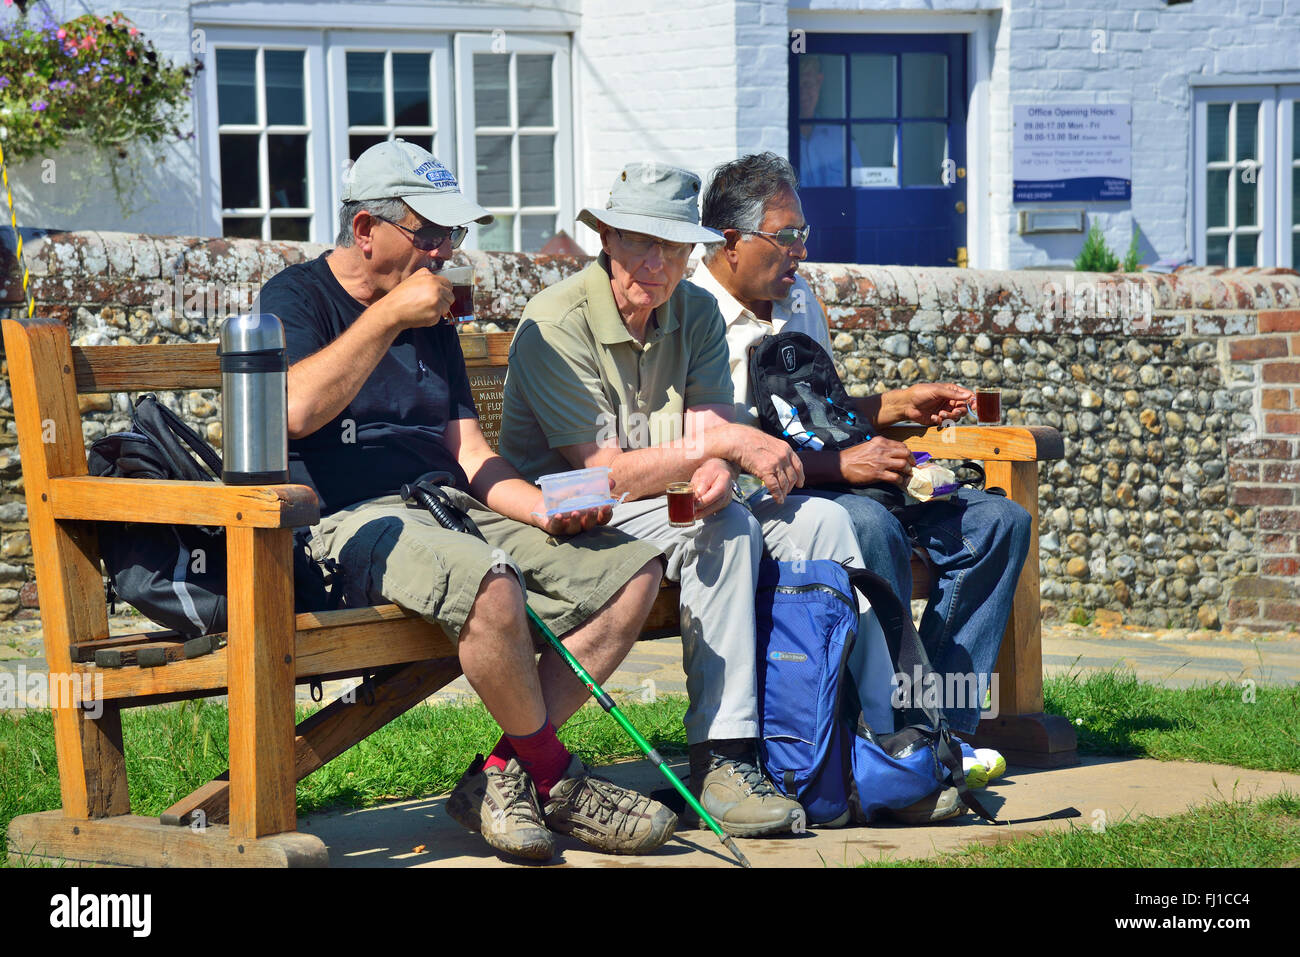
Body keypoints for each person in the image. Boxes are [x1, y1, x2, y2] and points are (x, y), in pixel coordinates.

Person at [253, 139, 674, 862]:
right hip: (346, 520)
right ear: (365, 231)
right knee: (492, 585)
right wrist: (387, 318)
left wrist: (543, 509)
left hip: (445, 504)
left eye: (454, 235)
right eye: (432, 234)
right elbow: (291, 410)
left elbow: (471, 452)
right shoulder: (294, 299)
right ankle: (556, 776)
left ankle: (504, 772)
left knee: (633, 570)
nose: (445, 252)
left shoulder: (433, 314)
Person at [498, 161, 912, 835]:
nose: (655, 262)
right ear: (607, 237)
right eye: (638, 241)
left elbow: (713, 424)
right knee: (725, 533)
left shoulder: (690, 310)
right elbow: (601, 470)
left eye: (671, 245)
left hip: (658, 500)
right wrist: (711, 454)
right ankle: (723, 757)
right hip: (565, 509)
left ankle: (864, 745)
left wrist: (716, 459)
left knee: (826, 524)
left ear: (692, 249)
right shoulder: (556, 320)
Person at [694, 152, 1031, 744]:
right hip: (761, 499)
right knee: (870, 525)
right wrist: (841, 465)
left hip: (835, 477)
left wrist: (895, 407)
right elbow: (719, 453)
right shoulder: (694, 317)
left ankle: (937, 729)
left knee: (997, 522)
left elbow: (817, 417)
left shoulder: (799, 302)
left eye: (804, 233)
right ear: (732, 242)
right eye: (787, 236)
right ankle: (892, 730)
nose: (800, 250)